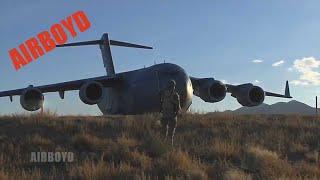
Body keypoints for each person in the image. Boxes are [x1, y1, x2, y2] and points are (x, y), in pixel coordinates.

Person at [160, 79, 181, 146]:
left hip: (165, 114)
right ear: (173, 86)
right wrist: (177, 113)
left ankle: (162, 145)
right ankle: (169, 146)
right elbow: (178, 106)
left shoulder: (163, 94)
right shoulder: (175, 95)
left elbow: (161, 102)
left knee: (164, 132)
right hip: (172, 114)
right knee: (171, 134)